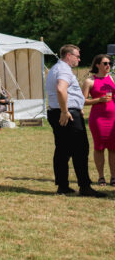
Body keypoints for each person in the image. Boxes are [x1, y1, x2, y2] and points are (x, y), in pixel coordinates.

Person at [46, 44, 105, 197]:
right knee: (80, 149)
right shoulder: (64, 69)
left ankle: (63, 186)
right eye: (77, 56)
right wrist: (66, 111)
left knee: (63, 150)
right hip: (66, 114)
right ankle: (85, 187)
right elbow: (61, 89)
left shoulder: (56, 68)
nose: (79, 59)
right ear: (68, 56)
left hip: (58, 111)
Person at [85, 54, 115, 185]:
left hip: (113, 117)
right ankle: (101, 176)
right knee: (99, 147)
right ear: (97, 65)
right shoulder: (89, 81)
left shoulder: (112, 78)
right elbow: (83, 101)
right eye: (105, 63)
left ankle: (114, 177)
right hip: (98, 118)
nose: (108, 65)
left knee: (113, 148)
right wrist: (99, 100)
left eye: (110, 63)